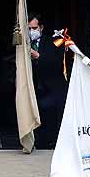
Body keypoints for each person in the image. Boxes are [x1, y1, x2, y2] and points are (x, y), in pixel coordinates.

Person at [28, 13, 67, 149]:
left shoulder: (52, 42)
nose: (31, 32)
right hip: (32, 87)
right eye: (29, 29)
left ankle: (50, 141)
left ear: (41, 27)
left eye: (34, 28)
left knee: (49, 113)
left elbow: (55, 63)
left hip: (50, 87)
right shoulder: (23, 43)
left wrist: (38, 56)